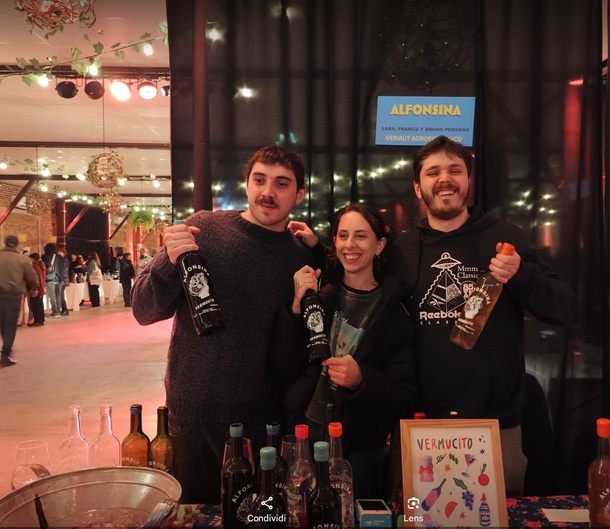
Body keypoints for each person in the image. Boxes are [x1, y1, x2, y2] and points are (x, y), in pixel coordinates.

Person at [131, 145, 324, 504]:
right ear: (247, 184)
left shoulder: (300, 257)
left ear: (299, 194)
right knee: (193, 517)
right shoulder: (204, 229)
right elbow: (143, 310)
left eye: (282, 184)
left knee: (260, 518)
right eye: (259, 180)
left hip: (265, 421)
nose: (268, 192)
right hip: (195, 414)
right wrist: (167, 262)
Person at [386, 136, 575, 498]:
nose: (445, 179)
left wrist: (522, 274)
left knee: (498, 516)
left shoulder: (505, 238)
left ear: (468, 180)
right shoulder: (400, 251)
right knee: (423, 518)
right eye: (433, 172)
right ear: (417, 187)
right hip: (420, 424)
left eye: (455, 170)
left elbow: (563, 308)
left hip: (496, 423)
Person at [269, 203, 418, 500]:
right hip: (304, 434)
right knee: (301, 514)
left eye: (361, 236)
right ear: (334, 242)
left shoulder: (394, 312)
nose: (350, 245)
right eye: (343, 235)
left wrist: (362, 380)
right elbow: (284, 367)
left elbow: (404, 397)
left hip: (358, 448)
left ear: (379, 245)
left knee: (354, 516)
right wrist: (297, 307)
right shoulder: (321, 295)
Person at [0, 235, 39, 367]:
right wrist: (34, 288)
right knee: (11, 324)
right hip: (14, 294)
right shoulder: (22, 259)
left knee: (4, 321)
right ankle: (5, 354)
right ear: (16, 245)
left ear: (5, 243)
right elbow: (31, 277)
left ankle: (6, 347)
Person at [41, 242, 64, 317]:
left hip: (50, 279)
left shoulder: (44, 257)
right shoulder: (60, 257)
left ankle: (54, 311)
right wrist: (61, 278)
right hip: (59, 279)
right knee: (58, 296)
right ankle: (59, 311)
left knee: (52, 297)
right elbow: (62, 268)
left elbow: (44, 268)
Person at [27, 253, 46, 326]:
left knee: (35, 305)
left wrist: (35, 288)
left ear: (32, 259)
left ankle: (38, 321)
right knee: (39, 304)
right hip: (40, 288)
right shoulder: (40, 265)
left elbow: (35, 279)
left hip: (36, 288)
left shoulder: (35, 267)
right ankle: (40, 320)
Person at [56, 247, 70, 316]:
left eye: (61, 252)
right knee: (60, 295)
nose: (59, 253)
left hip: (64, 280)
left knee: (61, 295)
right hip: (59, 279)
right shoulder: (57, 260)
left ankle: (65, 310)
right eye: (58, 252)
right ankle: (63, 309)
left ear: (64, 254)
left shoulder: (65, 260)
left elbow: (62, 269)